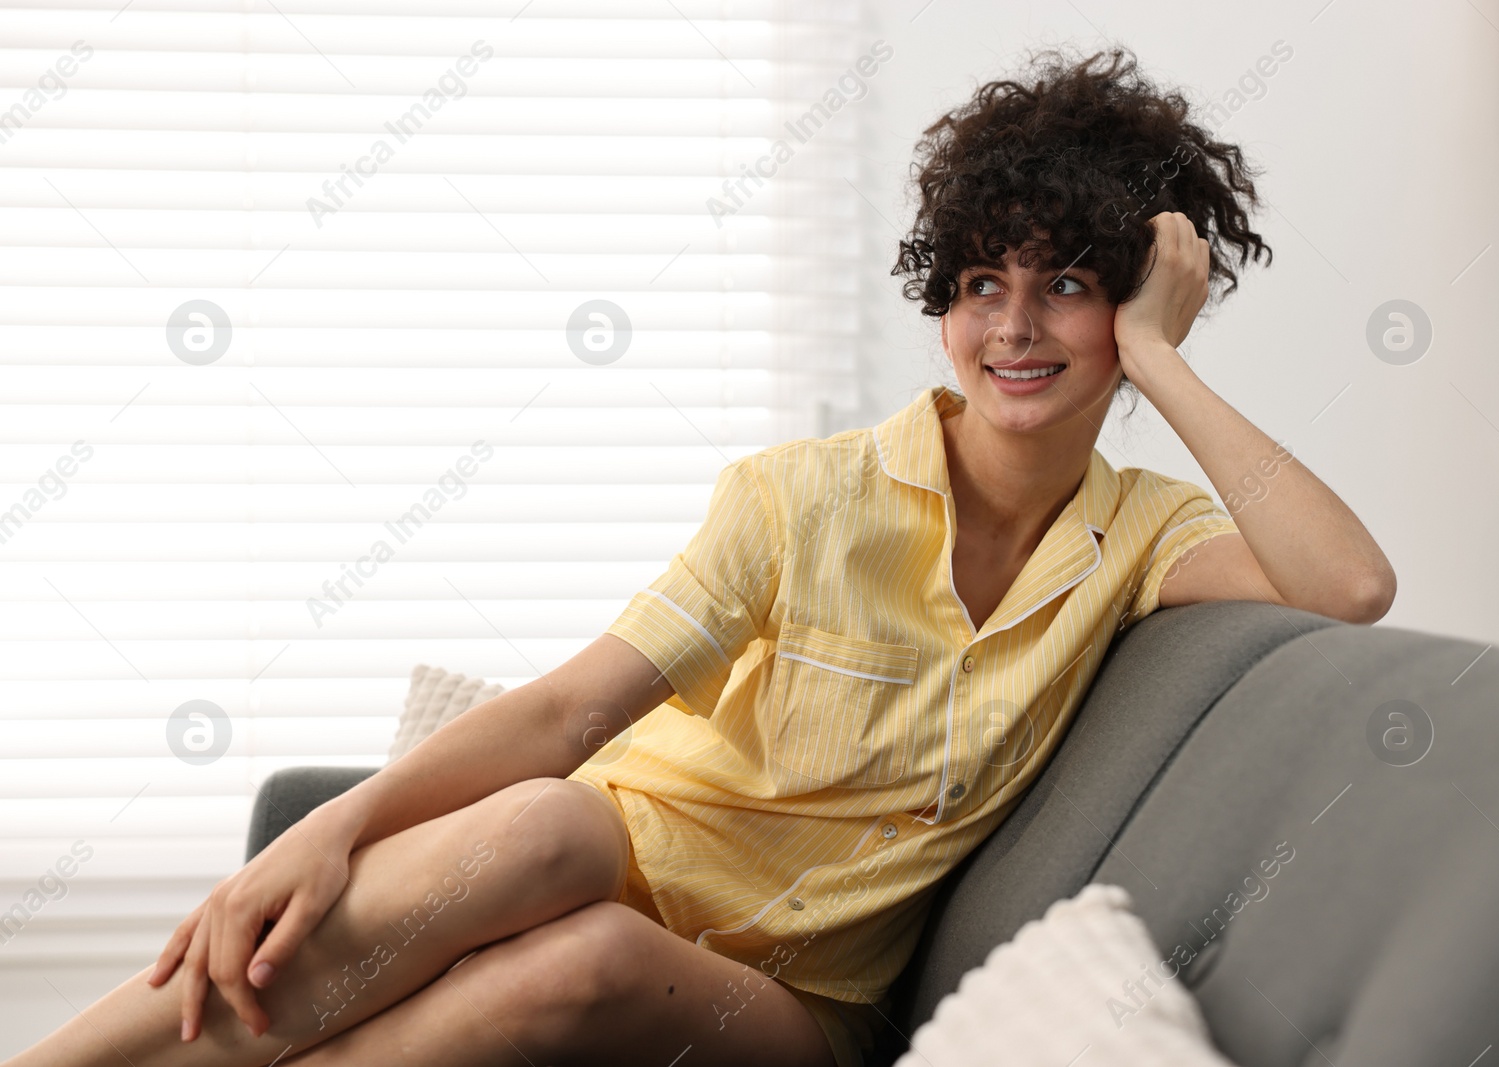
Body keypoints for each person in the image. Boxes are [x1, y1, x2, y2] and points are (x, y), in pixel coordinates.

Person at [5, 45, 1394, 1067]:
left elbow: (1349, 589)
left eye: (1069, 288)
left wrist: (1162, 350)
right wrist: (331, 827)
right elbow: (566, 713)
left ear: (1128, 307)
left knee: (596, 964)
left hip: (797, 1010)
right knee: (554, 827)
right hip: (628, 852)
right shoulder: (803, 497)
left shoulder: (1142, 535)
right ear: (943, 300)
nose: (1016, 327)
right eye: (983, 283)